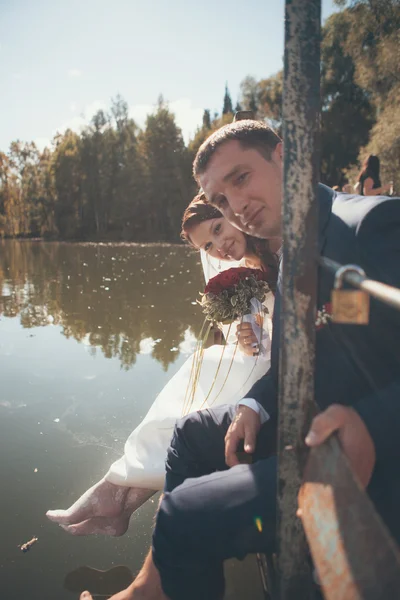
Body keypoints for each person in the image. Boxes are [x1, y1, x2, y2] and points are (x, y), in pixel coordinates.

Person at [78, 119, 400, 600]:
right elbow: (297, 358)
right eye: (222, 201)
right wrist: (254, 405)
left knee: (184, 512)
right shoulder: (290, 248)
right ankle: (156, 584)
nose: (237, 207)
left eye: (241, 178)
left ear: (284, 156)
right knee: (189, 434)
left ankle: (169, 569)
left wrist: (370, 423)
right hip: (304, 420)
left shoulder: (371, 225)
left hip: (363, 454)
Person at [46, 195, 278, 537]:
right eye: (208, 245)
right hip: (263, 364)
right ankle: (116, 497)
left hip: (274, 376)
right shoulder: (246, 266)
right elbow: (257, 331)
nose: (219, 247)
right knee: (194, 383)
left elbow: (288, 334)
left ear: (232, 212)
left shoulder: (280, 252)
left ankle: (115, 495)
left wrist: (259, 339)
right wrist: (250, 336)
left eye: (217, 228)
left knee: (195, 401)